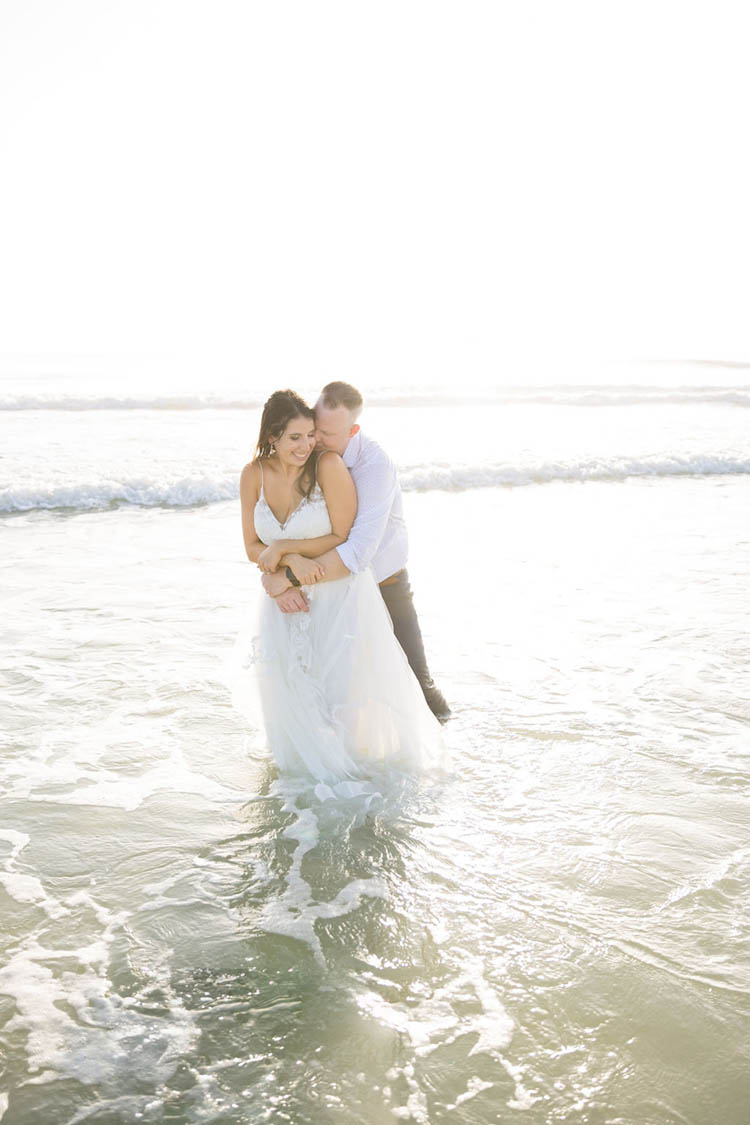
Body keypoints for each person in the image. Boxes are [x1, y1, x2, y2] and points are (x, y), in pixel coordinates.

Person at [236, 389, 444, 783]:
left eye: (316, 434)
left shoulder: (360, 466)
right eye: (300, 435)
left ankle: (376, 773)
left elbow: (351, 545)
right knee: (292, 693)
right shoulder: (253, 474)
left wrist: (284, 566)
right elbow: (252, 545)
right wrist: (284, 568)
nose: (311, 443)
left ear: (352, 429)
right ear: (272, 437)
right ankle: (301, 790)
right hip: (289, 600)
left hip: (367, 585)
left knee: (400, 685)